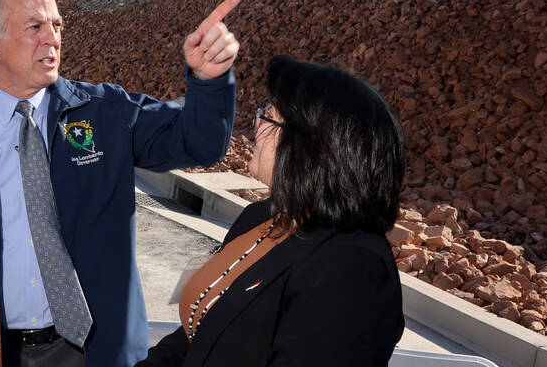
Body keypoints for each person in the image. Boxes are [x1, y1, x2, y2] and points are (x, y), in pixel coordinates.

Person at [0, 0, 241, 367]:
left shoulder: (106, 113)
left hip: (97, 351)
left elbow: (199, 143)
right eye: (35, 26)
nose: (52, 38)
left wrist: (209, 82)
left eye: (56, 25)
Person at [137, 55, 406, 367]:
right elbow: (199, 332)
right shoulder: (263, 217)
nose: (254, 125)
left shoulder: (352, 269)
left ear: (310, 148)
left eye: (268, 116)